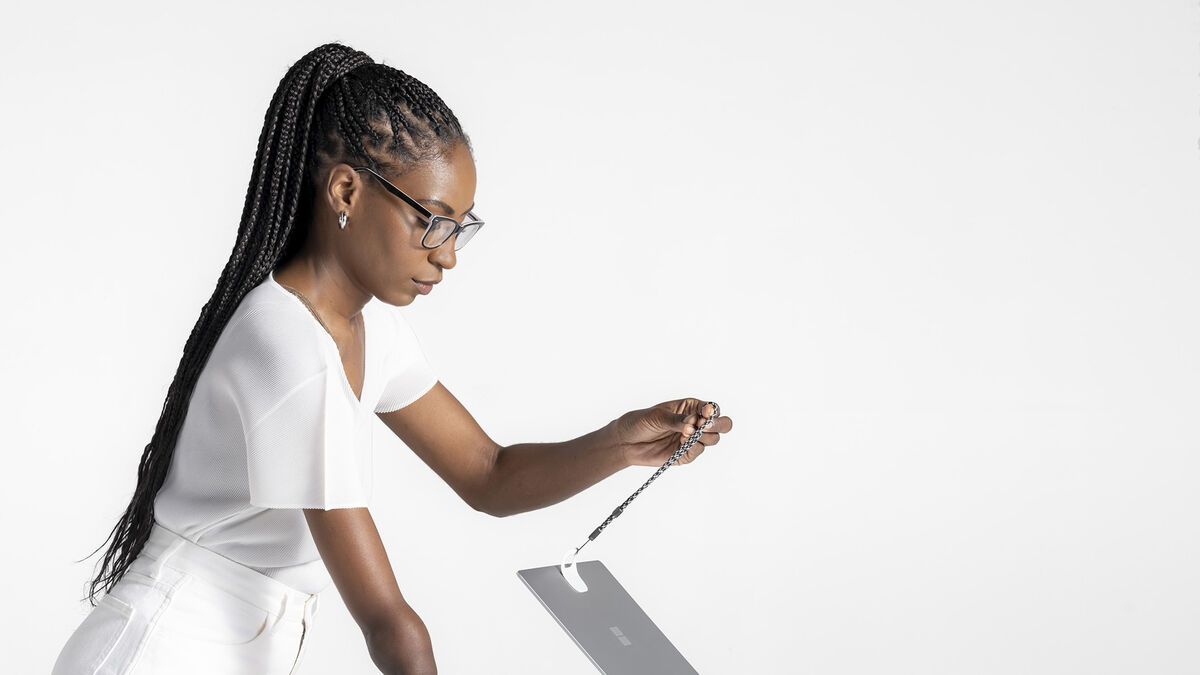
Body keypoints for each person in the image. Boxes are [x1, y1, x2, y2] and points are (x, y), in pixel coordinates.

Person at [52, 41, 733, 675]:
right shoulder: (290, 347)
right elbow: (390, 624)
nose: (448, 254)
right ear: (346, 191)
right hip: (161, 651)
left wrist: (621, 444)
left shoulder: (369, 329)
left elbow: (488, 474)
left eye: (461, 226)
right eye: (431, 221)